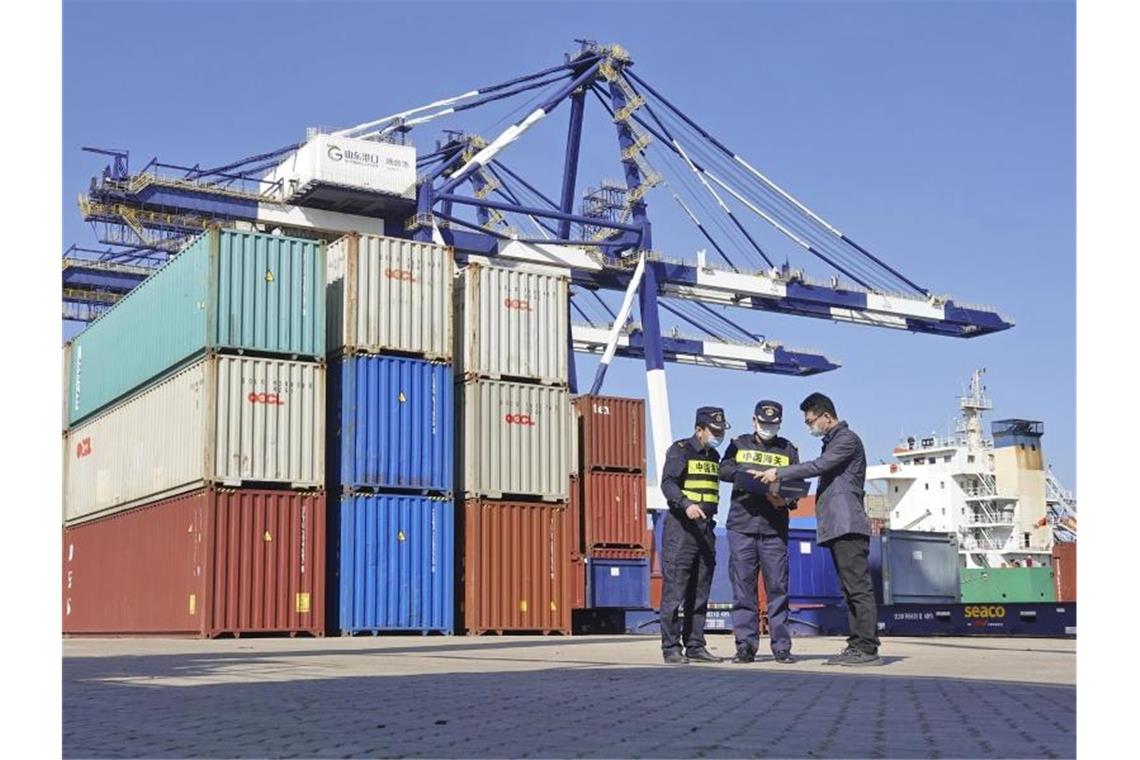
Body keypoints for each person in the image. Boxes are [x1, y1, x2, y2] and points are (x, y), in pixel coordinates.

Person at [758, 392, 881, 666]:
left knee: (858, 589)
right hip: (838, 526)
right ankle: (857, 644)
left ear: (827, 417)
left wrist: (780, 473)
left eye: (810, 421)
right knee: (850, 589)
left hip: (848, 525)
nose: (808, 426)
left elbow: (819, 466)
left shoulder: (846, 439)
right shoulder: (833, 441)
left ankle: (868, 648)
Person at [719, 400, 804, 664]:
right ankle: (745, 646)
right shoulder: (738, 443)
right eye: (764, 423)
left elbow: (795, 487)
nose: (769, 428)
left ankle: (781, 647)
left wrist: (786, 500)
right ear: (754, 421)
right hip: (742, 526)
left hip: (773, 529)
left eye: (773, 424)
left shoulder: (788, 449)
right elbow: (723, 469)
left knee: (778, 588)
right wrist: (749, 474)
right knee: (743, 589)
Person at [658, 406, 728, 664]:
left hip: (706, 529)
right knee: (675, 591)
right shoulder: (680, 450)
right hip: (681, 530)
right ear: (699, 429)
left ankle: (696, 644)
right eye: (714, 430)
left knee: (700, 591)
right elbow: (668, 483)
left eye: (721, 430)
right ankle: (671, 648)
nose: (718, 435)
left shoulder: (715, 455)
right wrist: (686, 504)